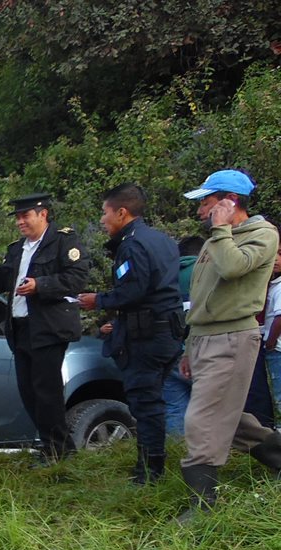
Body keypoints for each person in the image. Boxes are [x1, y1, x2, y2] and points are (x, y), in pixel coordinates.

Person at [177, 169, 281, 514]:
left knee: (202, 419)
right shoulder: (215, 239)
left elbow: (234, 268)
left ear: (229, 201)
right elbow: (202, 295)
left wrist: (221, 230)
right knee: (229, 418)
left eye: (205, 202)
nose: (200, 211)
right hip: (206, 337)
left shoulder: (263, 235)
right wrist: (191, 345)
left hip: (232, 336)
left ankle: (202, 507)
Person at [0, 193, 89, 461]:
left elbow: (75, 279)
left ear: (43, 214)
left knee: (46, 392)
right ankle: (53, 447)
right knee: (28, 392)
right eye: (17, 217)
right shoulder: (17, 248)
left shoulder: (64, 241)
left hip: (48, 328)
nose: (20, 222)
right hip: (20, 329)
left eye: (25, 216)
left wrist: (40, 286)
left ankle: (59, 452)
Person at [77, 184, 184, 483]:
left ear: (121, 212)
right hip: (168, 333)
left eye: (105, 213)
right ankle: (155, 465)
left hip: (147, 338)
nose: (102, 220)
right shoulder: (161, 239)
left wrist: (97, 300)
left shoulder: (133, 244)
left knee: (146, 405)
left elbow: (133, 292)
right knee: (157, 402)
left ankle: (149, 474)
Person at [163, 236, 207, 435]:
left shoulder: (164, 277)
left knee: (174, 409)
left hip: (169, 352)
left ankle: (176, 456)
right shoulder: (206, 272)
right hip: (203, 350)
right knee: (211, 409)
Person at [263, 247, 281, 420]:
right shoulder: (272, 285)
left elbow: (279, 317)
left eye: (279, 255)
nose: (275, 259)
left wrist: (270, 341)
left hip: (277, 349)